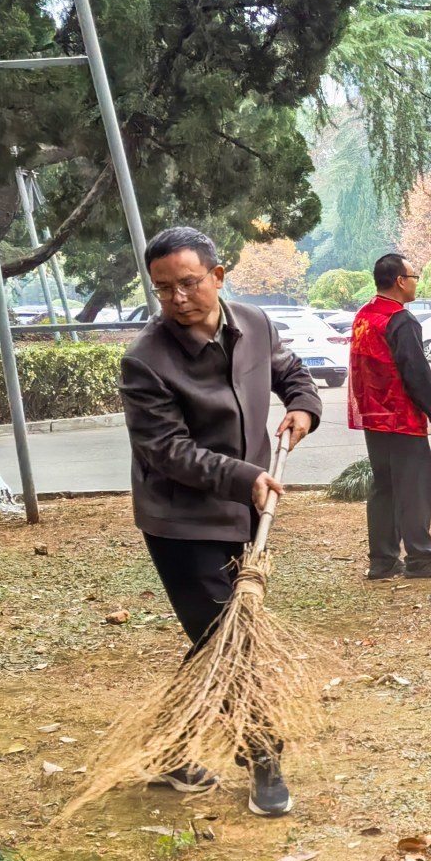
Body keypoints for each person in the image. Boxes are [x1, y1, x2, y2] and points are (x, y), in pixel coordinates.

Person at [119, 226, 319, 817]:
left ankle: (169, 751)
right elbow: (167, 451)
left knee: (218, 640)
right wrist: (244, 476)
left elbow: (290, 372)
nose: (178, 299)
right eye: (163, 289)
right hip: (182, 522)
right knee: (231, 642)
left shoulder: (253, 323)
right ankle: (264, 758)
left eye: (189, 283)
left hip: (248, 510)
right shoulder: (145, 361)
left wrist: (304, 408)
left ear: (218, 276)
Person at [350, 253, 431, 580]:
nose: (415, 283)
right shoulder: (400, 320)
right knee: (414, 489)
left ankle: (382, 561)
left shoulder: (364, 316)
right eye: (413, 277)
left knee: (385, 487)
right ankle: (421, 559)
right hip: (401, 417)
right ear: (399, 281)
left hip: (373, 416)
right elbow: (416, 373)